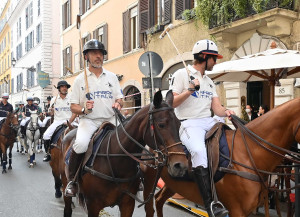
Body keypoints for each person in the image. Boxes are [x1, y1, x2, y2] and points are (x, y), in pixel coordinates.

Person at [170, 39, 235, 217]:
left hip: (209, 120)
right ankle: (210, 204)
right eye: (214, 58)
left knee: (233, 142)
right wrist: (189, 90)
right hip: (189, 123)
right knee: (198, 151)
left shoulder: (209, 81)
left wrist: (227, 111)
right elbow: (172, 103)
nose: (216, 61)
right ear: (205, 57)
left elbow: (217, 108)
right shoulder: (181, 74)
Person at [65, 39, 123, 197]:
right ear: (86, 57)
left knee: (129, 139)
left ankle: (136, 177)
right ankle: (73, 180)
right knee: (81, 144)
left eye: (101, 53)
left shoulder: (112, 77)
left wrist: (118, 104)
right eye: (94, 53)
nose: (98, 56)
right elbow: (73, 106)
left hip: (111, 119)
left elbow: (120, 98)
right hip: (89, 121)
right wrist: (83, 109)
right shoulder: (79, 79)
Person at [42, 81, 77, 162]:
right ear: (59, 89)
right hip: (58, 121)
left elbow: (75, 112)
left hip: (71, 121)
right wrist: (51, 111)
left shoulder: (72, 98)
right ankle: (48, 153)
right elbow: (51, 113)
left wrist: (69, 121)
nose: (64, 88)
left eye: (66, 87)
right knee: (46, 135)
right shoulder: (54, 100)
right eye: (62, 87)